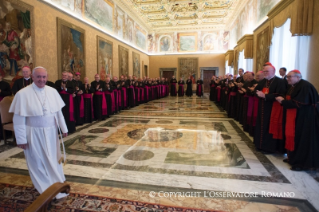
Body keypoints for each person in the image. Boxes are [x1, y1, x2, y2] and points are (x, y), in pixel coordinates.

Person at [10, 66, 69, 200]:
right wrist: (21, 139)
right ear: (33, 77)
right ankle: (44, 188)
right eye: (38, 77)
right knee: (37, 160)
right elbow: (19, 120)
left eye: (44, 77)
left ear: (47, 78)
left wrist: (64, 128)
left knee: (53, 158)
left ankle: (56, 182)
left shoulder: (52, 91)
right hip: (33, 133)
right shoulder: (22, 94)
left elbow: (58, 113)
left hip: (51, 132)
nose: (41, 80)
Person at [275, 70, 319, 171]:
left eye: (290, 77)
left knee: (301, 139)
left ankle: (301, 163)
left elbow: (298, 103)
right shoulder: (294, 86)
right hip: (295, 116)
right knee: (293, 137)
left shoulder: (305, 86)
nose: (288, 79)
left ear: (298, 77)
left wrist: (283, 101)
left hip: (304, 119)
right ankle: (292, 158)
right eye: (288, 77)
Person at [254, 62, 286, 154]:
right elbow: (256, 92)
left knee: (269, 127)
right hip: (262, 108)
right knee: (261, 126)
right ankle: (260, 145)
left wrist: (265, 96)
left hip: (273, 109)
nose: (265, 73)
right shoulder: (262, 82)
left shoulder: (280, 82)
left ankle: (269, 148)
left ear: (273, 71)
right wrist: (258, 94)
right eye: (264, 71)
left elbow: (281, 95)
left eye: (267, 71)